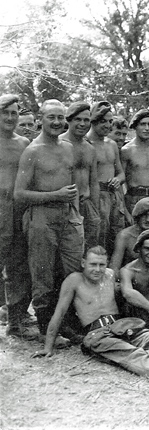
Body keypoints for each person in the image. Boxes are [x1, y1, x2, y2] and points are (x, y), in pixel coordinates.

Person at [32, 246, 149, 388]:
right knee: (128, 353)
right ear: (83, 263)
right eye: (93, 264)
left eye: (101, 264)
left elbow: (130, 293)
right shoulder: (73, 280)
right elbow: (59, 313)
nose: (98, 269)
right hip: (96, 333)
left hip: (120, 324)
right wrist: (48, 346)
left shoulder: (110, 275)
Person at [14, 99, 84, 342]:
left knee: (70, 270)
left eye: (60, 117)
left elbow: (72, 185)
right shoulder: (32, 151)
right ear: (40, 119)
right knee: (42, 273)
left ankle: (65, 323)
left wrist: (75, 214)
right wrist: (55, 196)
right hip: (41, 217)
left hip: (67, 215)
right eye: (51, 117)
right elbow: (19, 194)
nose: (56, 122)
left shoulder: (67, 148)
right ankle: (46, 329)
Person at [0, 94, 36, 340]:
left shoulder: (24, 143)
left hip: (18, 209)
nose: (10, 118)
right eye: (5, 113)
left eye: (14, 113)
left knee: (19, 266)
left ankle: (15, 320)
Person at [87, 101, 126, 255]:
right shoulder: (86, 144)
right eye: (103, 121)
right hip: (96, 197)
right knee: (97, 237)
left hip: (114, 197)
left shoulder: (111, 145)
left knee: (117, 235)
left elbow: (121, 173)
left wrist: (118, 179)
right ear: (94, 120)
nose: (108, 125)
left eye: (110, 121)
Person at [60, 102, 101, 250]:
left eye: (86, 120)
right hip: (67, 206)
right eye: (78, 119)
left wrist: (95, 209)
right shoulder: (59, 144)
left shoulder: (90, 148)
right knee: (70, 249)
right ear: (68, 120)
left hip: (88, 204)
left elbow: (94, 182)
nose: (82, 124)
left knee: (90, 248)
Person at [121, 109, 149, 215]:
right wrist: (125, 209)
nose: (147, 128)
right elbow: (121, 182)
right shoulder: (127, 150)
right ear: (135, 126)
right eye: (143, 124)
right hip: (135, 199)